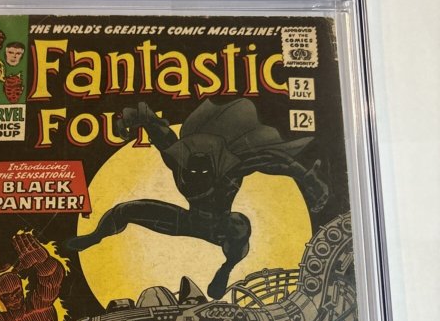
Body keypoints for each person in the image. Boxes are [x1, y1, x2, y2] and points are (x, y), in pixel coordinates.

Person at [67, 99, 328, 300]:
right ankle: (95, 237)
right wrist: (128, 118)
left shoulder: (229, 172)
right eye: (192, 171)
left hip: (219, 228)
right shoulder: (176, 159)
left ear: (216, 168)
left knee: (240, 226)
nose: (196, 176)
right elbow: (152, 122)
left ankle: (226, 267)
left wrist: (307, 178)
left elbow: (271, 160)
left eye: (203, 172)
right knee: (125, 210)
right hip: (188, 221)